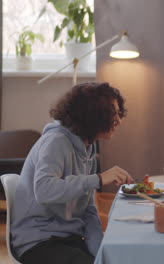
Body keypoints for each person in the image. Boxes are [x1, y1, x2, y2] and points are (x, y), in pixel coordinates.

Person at [10, 82, 134, 264]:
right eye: (112, 113)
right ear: (92, 116)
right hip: (39, 242)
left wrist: (99, 252)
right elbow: (44, 190)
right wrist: (98, 179)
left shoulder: (87, 148)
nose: (119, 120)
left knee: (118, 257)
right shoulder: (56, 142)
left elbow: (88, 211)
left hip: (69, 239)